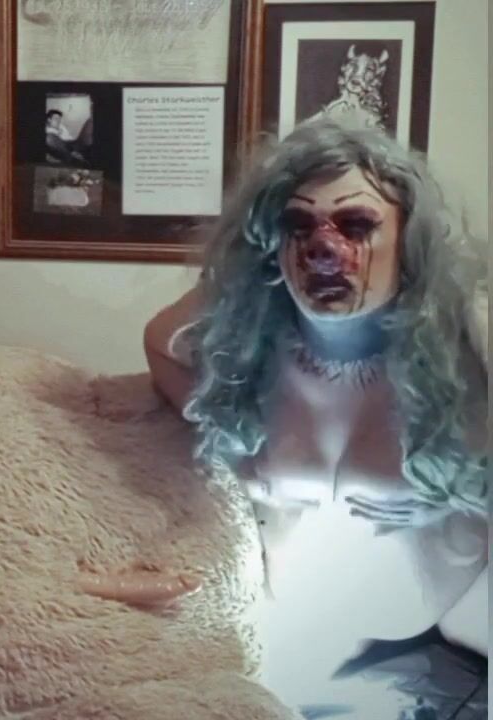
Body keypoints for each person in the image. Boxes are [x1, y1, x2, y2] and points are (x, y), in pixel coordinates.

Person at [142, 117, 488, 710]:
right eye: (297, 226)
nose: (324, 248)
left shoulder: (467, 345)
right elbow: (160, 342)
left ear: (409, 239)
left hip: (439, 664)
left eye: (356, 225)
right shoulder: (253, 348)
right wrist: (240, 280)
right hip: (285, 654)